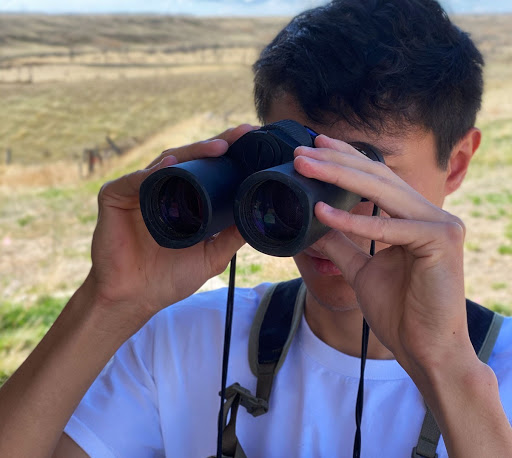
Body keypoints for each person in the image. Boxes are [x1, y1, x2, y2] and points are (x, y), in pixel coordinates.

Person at [1, 0, 512, 456]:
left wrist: (448, 369)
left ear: (458, 162)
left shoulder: (499, 377)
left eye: (363, 175)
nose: (318, 218)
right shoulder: (182, 342)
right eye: (293, 173)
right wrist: (109, 302)